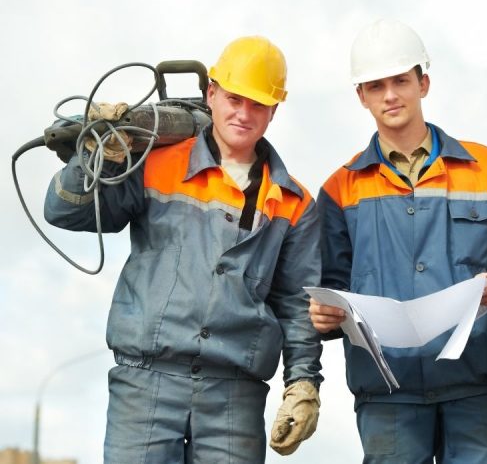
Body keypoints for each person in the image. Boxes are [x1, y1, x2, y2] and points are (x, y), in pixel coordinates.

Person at [43, 36, 323, 463]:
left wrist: (303, 382)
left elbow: (297, 304)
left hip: (235, 398)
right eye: (234, 98)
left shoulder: (294, 202)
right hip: (145, 383)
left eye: (258, 105)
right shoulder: (155, 162)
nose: (244, 114)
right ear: (211, 93)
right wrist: (98, 154)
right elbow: (65, 213)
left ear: (273, 111)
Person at [308, 19, 487, 464]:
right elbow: (329, 285)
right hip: (388, 397)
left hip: (478, 390)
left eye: (401, 80)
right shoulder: (339, 189)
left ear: (423, 83)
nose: (390, 95)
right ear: (360, 96)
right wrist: (324, 316)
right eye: (376, 85)